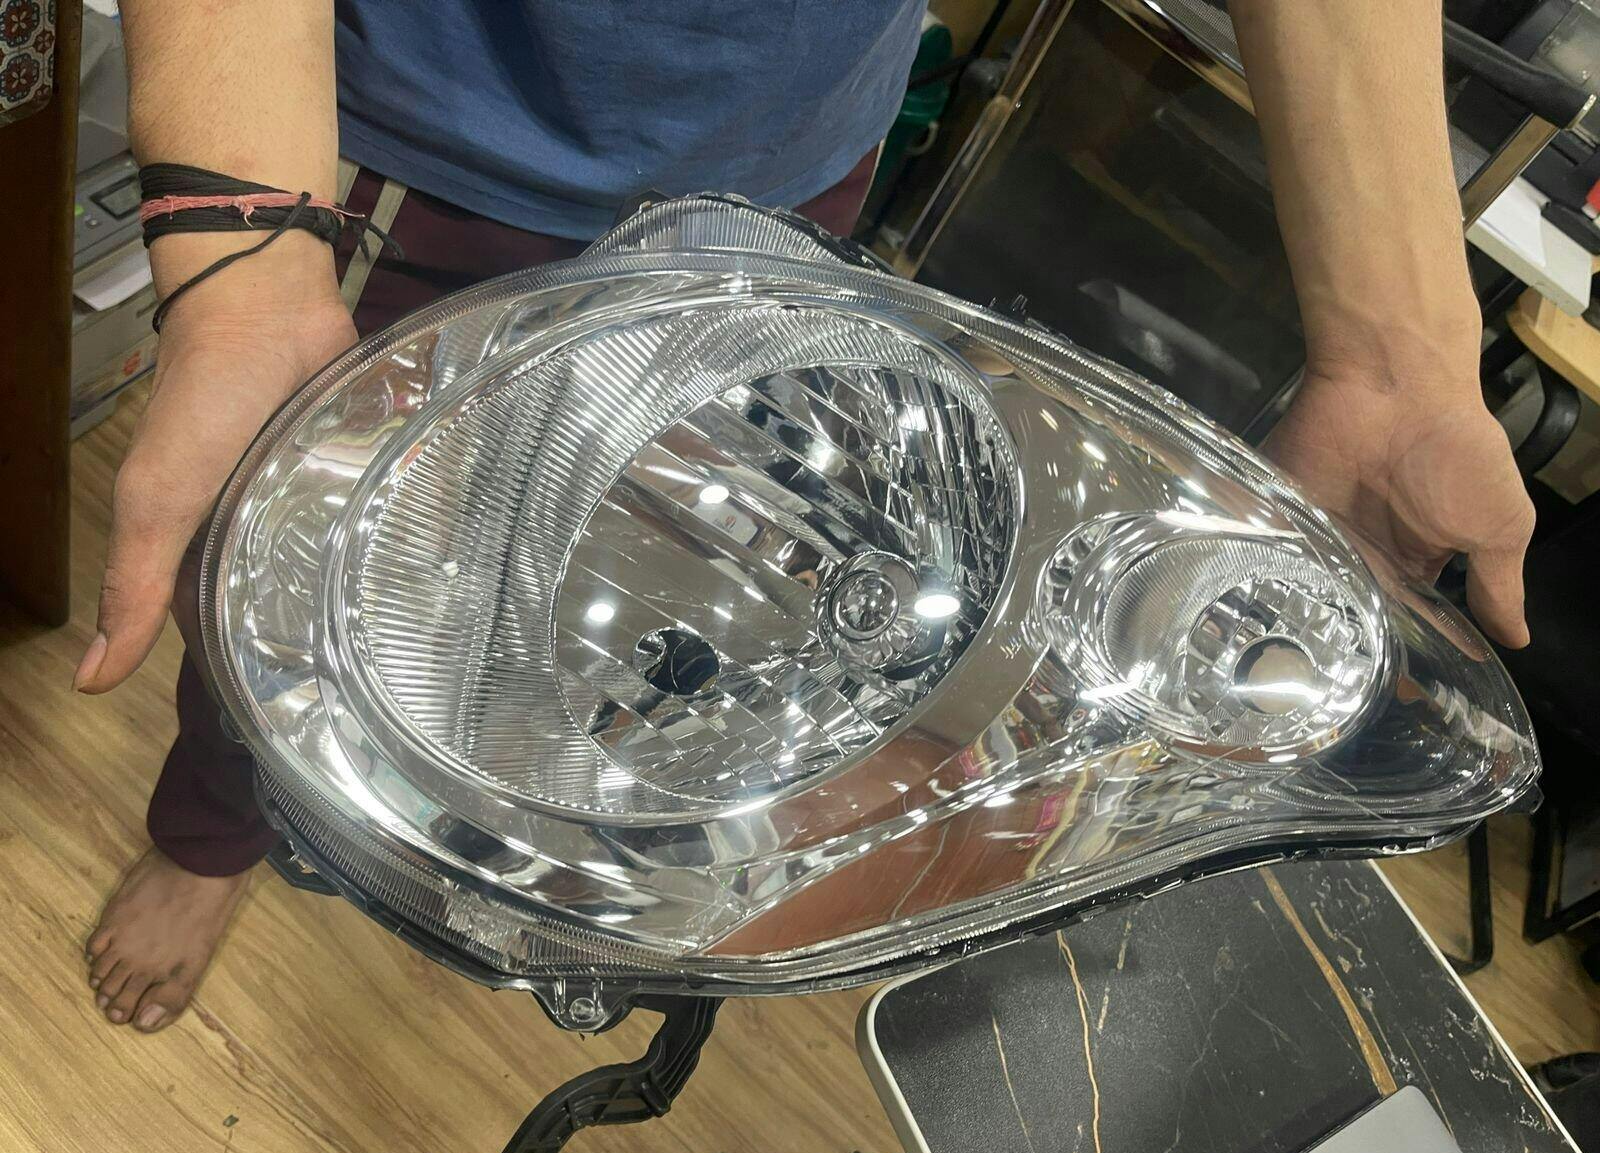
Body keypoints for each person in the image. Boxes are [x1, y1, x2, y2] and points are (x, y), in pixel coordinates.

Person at [73, 0, 1536, 1035]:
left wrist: (1398, 355)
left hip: (789, 153)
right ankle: (214, 829)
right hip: (436, 145)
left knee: (653, 606)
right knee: (308, 568)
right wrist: (246, 275)